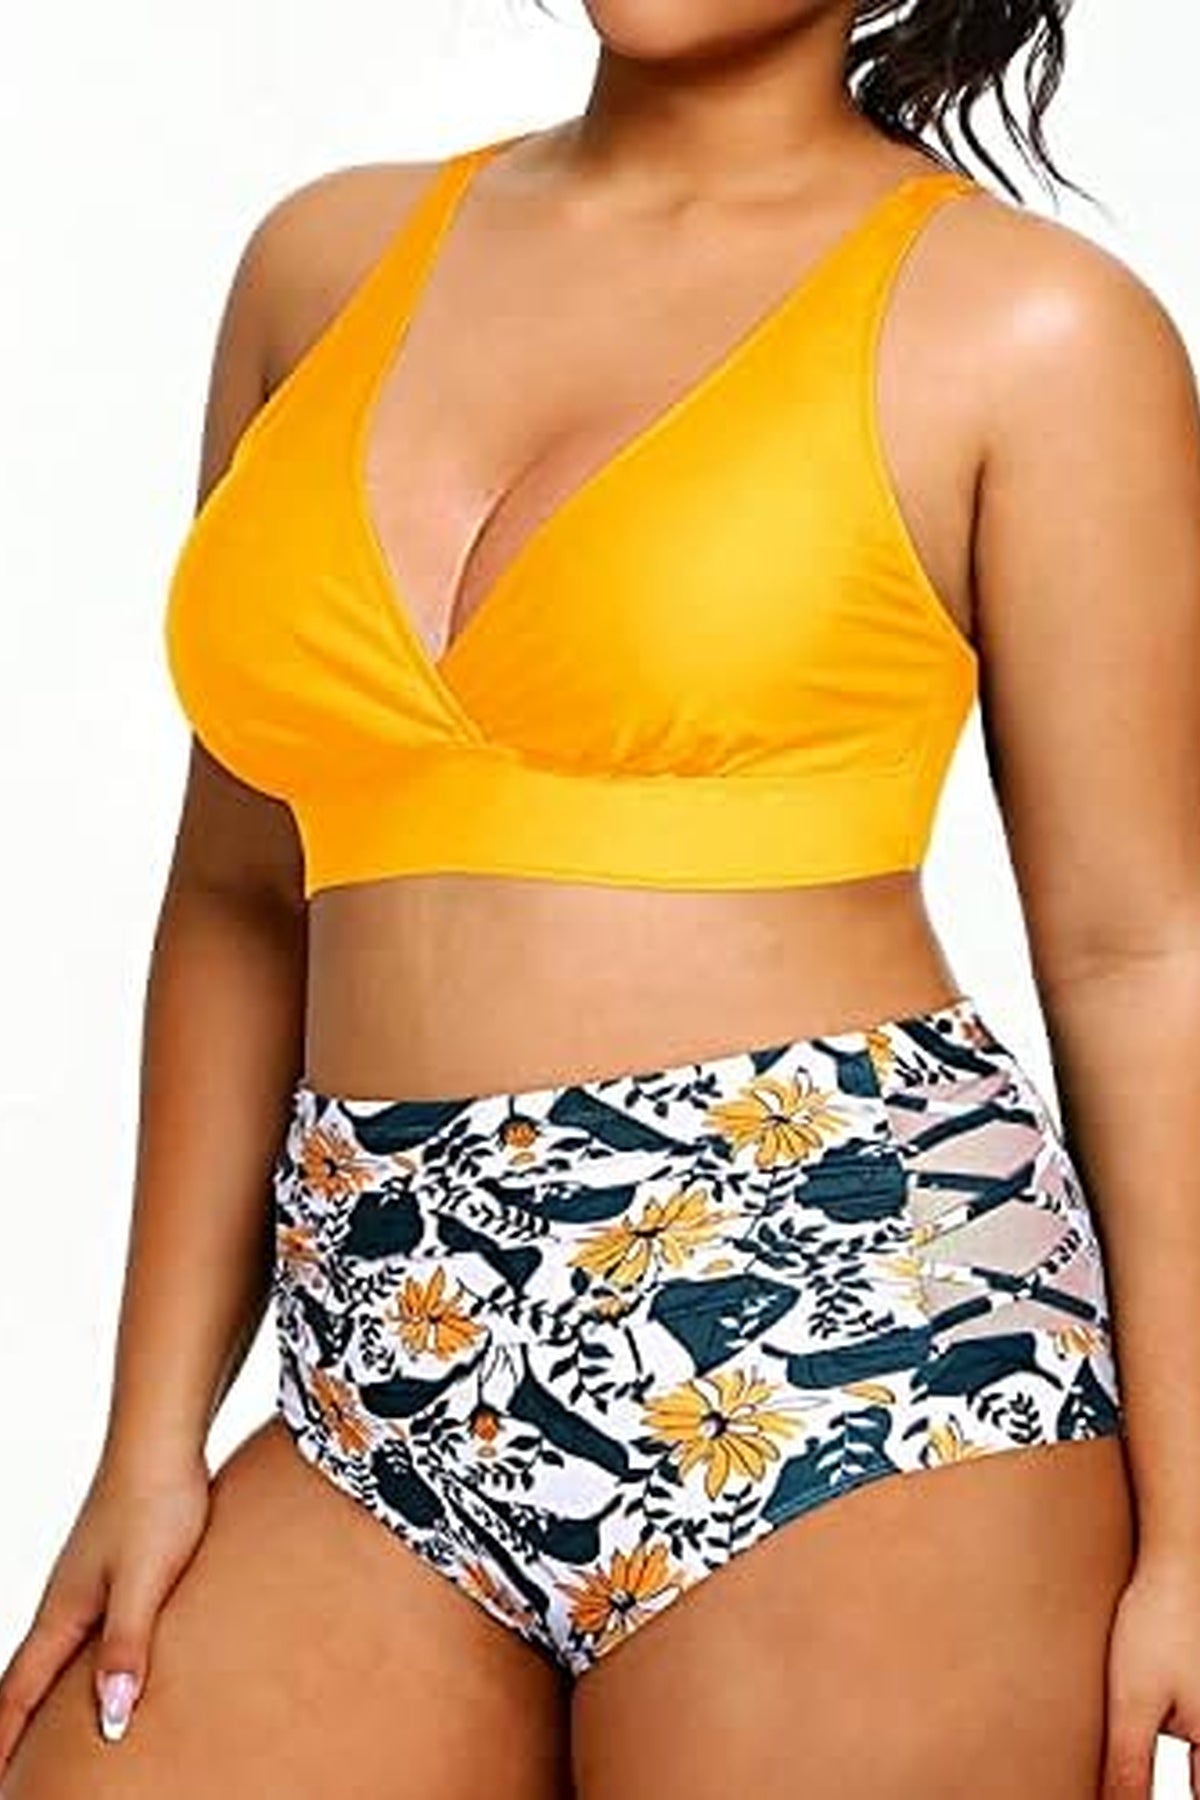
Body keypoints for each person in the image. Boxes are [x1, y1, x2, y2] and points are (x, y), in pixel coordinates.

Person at [4, 2, 1200, 1795]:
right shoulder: (321, 265)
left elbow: (1140, 953)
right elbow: (243, 894)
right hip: (378, 1353)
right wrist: (147, 1442)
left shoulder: (1028, 328)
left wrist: (1196, 1523)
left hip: (849, 1347)